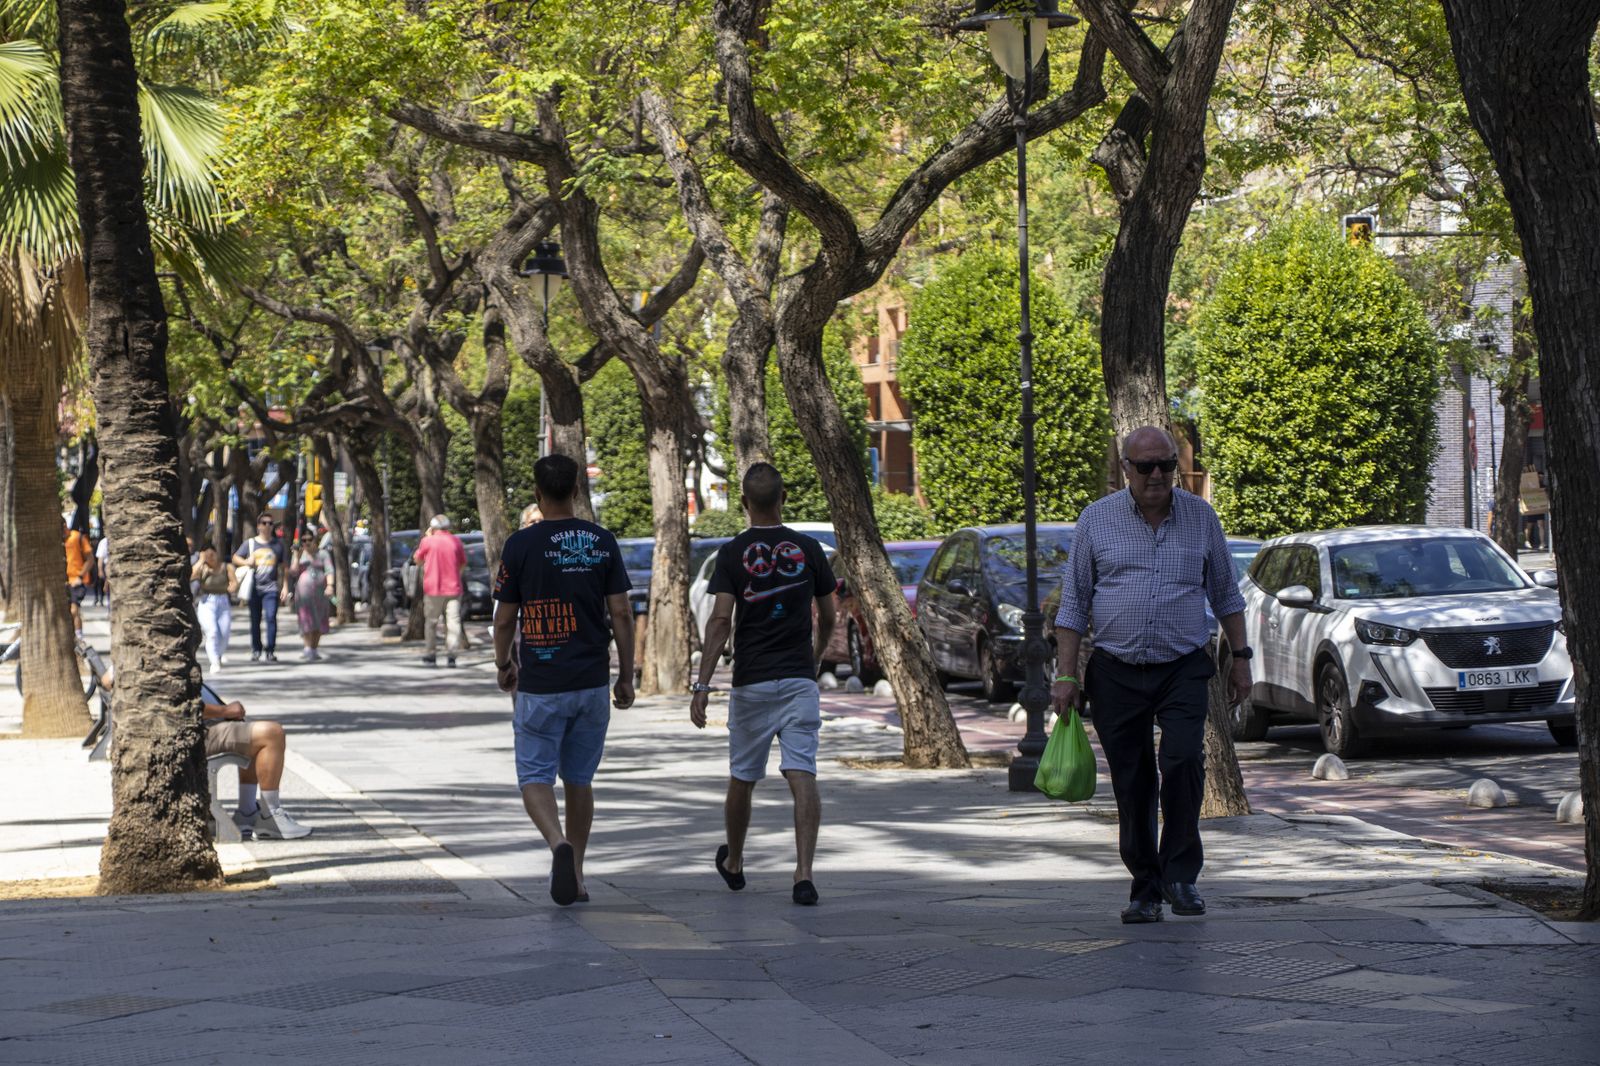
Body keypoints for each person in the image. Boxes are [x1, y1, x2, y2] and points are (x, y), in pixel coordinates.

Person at [1051, 426, 1251, 925]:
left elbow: (1226, 594)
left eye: (1166, 464)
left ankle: (1180, 875)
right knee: (1132, 780)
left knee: (1183, 761)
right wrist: (1067, 675)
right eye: (1146, 467)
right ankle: (1145, 887)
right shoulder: (1097, 520)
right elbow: (1074, 604)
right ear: (1126, 470)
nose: (1158, 474)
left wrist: (1242, 658)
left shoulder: (1202, 518)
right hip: (1116, 669)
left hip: (1183, 663)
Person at [690, 463, 836, 907]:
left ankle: (734, 861)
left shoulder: (734, 553)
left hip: (751, 681)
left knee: (743, 776)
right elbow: (827, 615)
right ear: (784, 496)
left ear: (744, 503)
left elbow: (720, 621)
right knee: (802, 772)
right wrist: (814, 658)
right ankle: (803, 874)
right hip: (797, 678)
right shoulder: (810, 549)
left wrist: (702, 684)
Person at [493, 454, 635, 906]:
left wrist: (503, 663)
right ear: (576, 490)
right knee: (579, 778)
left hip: (540, 682)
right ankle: (575, 875)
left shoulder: (519, 545)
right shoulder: (601, 541)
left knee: (534, 775)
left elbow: (504, 620)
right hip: (591, 681)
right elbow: (621, 612)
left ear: (537, 493)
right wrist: (626, 675)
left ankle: (557, 843)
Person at [203, 691, 313, 839]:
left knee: (255, 736)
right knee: (272, 733)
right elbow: (183, 705)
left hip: (207, 726)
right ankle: (270, 816)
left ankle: (247, 813)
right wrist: (225, 710)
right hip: (199, 732)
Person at [414, 514, 466, 667]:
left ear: (433, 527)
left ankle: (431, 654)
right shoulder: (456, 541)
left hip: (433, 589)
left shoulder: (427, 541)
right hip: (454, 588)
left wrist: (427, 537)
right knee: (453, 622)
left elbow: (418, 560)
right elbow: (462, 563)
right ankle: (452, 656)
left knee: (431, 622)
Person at [233, 514, 286, 662]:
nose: (268, 526)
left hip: (271, 588)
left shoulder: (278, 545)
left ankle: (270, 650)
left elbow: (283, 568)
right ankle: (256, 649)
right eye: (264, 523)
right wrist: (246, 562)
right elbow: (235, 558)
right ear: (258, 526)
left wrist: (285, 587)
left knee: (271, 618)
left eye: (270, 523)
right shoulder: (250, 544)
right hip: (254, 588)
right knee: (255, 620)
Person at [192, 545, 236, 672]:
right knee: (212, 632)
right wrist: (200, 561)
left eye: (212, 555)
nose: (210, 558)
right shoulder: (203, 568)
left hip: (223, 600)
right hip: (207, 601)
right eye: (207, 556)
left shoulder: (226, 567)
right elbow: (189, 576)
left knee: (224, 632)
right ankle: (214, 661)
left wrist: (232, 587)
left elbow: (234, 582)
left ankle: (219, 653)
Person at [291, 536, 332, 662]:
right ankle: (307, 647)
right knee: (305, 619)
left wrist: (330, 586)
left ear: (315, 541)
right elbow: (293, 572)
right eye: (303, 541)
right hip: (304, 594)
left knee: (319, 618)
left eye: (309, 540)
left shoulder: (323, 554)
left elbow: (329, 570)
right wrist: (297, 556)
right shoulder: (299, 555)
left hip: (320, 593)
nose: (307, 543)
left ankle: (314, 648)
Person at [63, 517, 94, 634]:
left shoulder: (76, 537)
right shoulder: (57, 541)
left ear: (65, 525)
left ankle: (79, 636)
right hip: (64, 581)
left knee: (74, 610)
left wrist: (80, 577)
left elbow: (90, 559)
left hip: (76, 580)